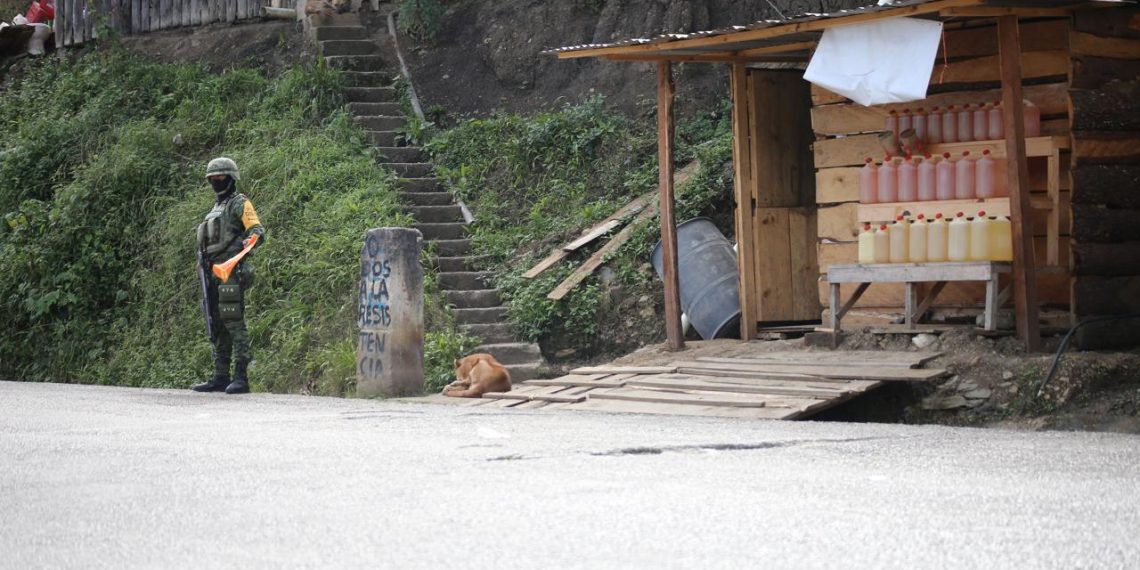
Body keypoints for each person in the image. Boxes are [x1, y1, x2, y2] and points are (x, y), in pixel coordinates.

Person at [191, 158, 265, 394]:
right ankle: (220, 376)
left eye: (220, 177)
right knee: (216, 325)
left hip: (230, 272)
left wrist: (249, 242)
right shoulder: (215, 209)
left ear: (231, 178)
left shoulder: (239, 203)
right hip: (211, 273)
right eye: (212, 178)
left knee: (233, 321)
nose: (216, 181)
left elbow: (256, 230)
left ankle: (241, 377)